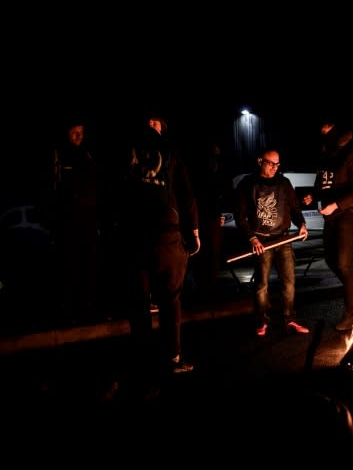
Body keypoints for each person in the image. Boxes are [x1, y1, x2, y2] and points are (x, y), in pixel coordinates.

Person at [115, 115, 200, 385]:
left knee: (140, 302)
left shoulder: (126, 149)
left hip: (136, 235)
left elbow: (112, 191)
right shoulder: (170, 151)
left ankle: (144, 360)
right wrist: (194, 230)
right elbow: (186, 193)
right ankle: (171, 357)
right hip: (165, 236)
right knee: (169, 299)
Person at [303, 119, 353, 332]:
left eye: (329, 134)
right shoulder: (326, 159)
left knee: (343, 263)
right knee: (331, 260)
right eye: (322, 135)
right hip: (331, 216)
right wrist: (312, 196)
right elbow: (321, 185)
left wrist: (337, 204)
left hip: (349, 215)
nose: (325, 140)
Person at [234, 149, 309, 336]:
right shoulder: (248, 184)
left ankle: (290, 319)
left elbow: (294, 208)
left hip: (283, 239)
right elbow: (240, 216)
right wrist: (252, 237)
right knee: (261, 285)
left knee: (289, 283)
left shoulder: (284, 183)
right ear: (260, 161)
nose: (274, 167)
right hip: (262, 242)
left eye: (277, 164)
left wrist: (302, 224)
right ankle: (262, 321)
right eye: (270, 163)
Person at [51, 122, 103, 324]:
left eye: (81, 133)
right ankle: (69, 309)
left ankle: (87, 307)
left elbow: (96, 185)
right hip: (69, 222)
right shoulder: (61, 157)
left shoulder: (87, 156)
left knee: (89, 264)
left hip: (88, 220)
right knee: (70, 265)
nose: (79, 138)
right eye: (75, 133)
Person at [187, 141, 231, 305]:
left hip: (209, 218)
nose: (216, 159)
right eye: (214, 155)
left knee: (209, 257)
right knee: (206, 257)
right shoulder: (206, 174)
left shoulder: (213, 173)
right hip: (206, 218)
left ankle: (206, 290)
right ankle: (204, 291)